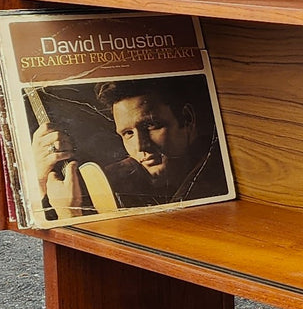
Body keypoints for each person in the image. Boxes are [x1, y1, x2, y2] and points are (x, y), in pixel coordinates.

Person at [31, 79, 229, 219]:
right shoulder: (115, 179)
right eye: (128, 133)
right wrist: (40, 184)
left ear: (187, 119)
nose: (141, 146)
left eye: (151, 126)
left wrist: (69, 215)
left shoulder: (219, 174)